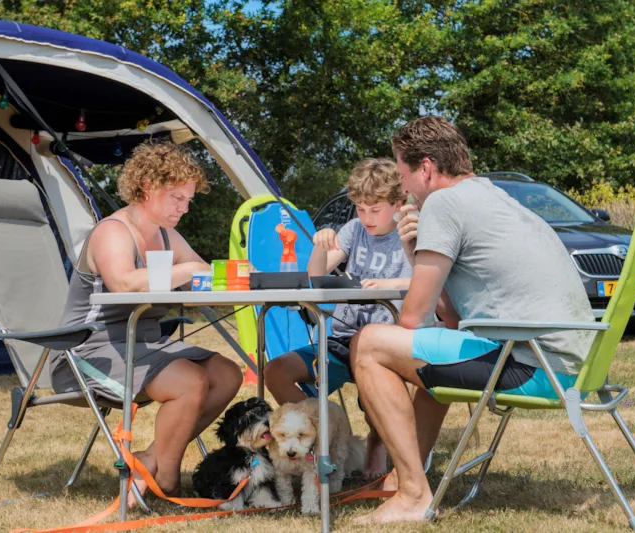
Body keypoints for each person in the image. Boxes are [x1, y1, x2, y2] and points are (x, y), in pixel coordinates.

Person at [350, 117, 595, 524]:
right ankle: (403, 478)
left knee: (369, 343)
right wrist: (415, 251)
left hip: (529, 364)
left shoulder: (444, 204)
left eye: (404, 174)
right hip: (568, 364)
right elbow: (451, 316)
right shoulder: (489, 194)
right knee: (431, 352)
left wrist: (412, 247)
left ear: (425, 168)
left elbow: (412, 318)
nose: (404, 188)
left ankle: (412, 494)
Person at [50, 141, 243, 502]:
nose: (184, 208)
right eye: (177, 198)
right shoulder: (112, 232)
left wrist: (254, 276)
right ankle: (167, 479)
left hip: (146, 344)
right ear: (149, 188)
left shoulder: (167, 235)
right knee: (189, 381)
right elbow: (123, 282)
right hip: (88, 351)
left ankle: (151, 459)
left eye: (188, 200)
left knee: (227, 375)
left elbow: (201, 273)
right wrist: (183, 269)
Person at [263, 158, 412, 478]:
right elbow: (315, 275)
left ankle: (377, 440)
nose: (367, 217)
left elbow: (420, 281)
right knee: (276, 371)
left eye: (375, 209)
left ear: (398, 203)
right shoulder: (354, 230)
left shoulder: (409, 233)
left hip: (383, 343)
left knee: (378, 393)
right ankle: (323, 434)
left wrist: (388, 284)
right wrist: (319, 244)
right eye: (360, 208)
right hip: (340, 339)